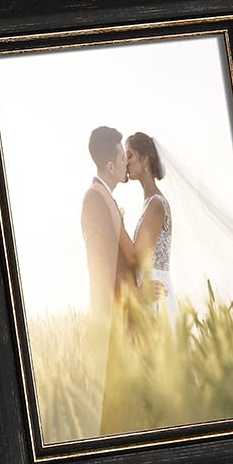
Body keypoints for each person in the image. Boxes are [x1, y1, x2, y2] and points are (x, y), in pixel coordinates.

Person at [80, 124, 137, 321]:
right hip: (115, 317)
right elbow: (100, 265)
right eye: (123, 158)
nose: (127, 163)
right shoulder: (94, 199)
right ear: (111, 167)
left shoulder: (104, 197)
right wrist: (134, 296)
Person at [123, 131, 178, 327]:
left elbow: (137, 256)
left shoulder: (156, 204)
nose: (125, 160)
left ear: (145, 159)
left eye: (129, 154)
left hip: (154, 292)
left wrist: (117, 225)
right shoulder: (148, 203)